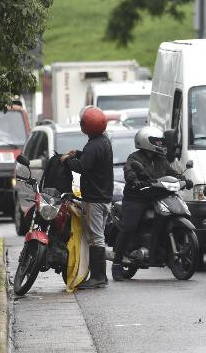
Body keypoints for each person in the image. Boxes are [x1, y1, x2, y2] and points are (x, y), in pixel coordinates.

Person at [112, 125, 183, 280]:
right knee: (129, 226)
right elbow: (129, 170)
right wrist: (133, 180)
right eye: (156, 142)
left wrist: (183, 179)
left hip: (157, 197)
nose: (160, 144)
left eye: (160, 142)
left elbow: (170, 172)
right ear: (145, 141)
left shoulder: (160, 159)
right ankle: (117, 263)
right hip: (137, 198)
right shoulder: (135, 157)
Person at [61, 106, 113, 289]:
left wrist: (67, 160)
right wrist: (80, 154)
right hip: (105, 198)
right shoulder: (103, 141)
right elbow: (92, 160)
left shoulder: (93, 145)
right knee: (98, 236)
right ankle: (98, 276)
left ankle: (99, 277)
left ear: (86, 126)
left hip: (94, 199)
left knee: (95, 238)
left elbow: (81, 168)